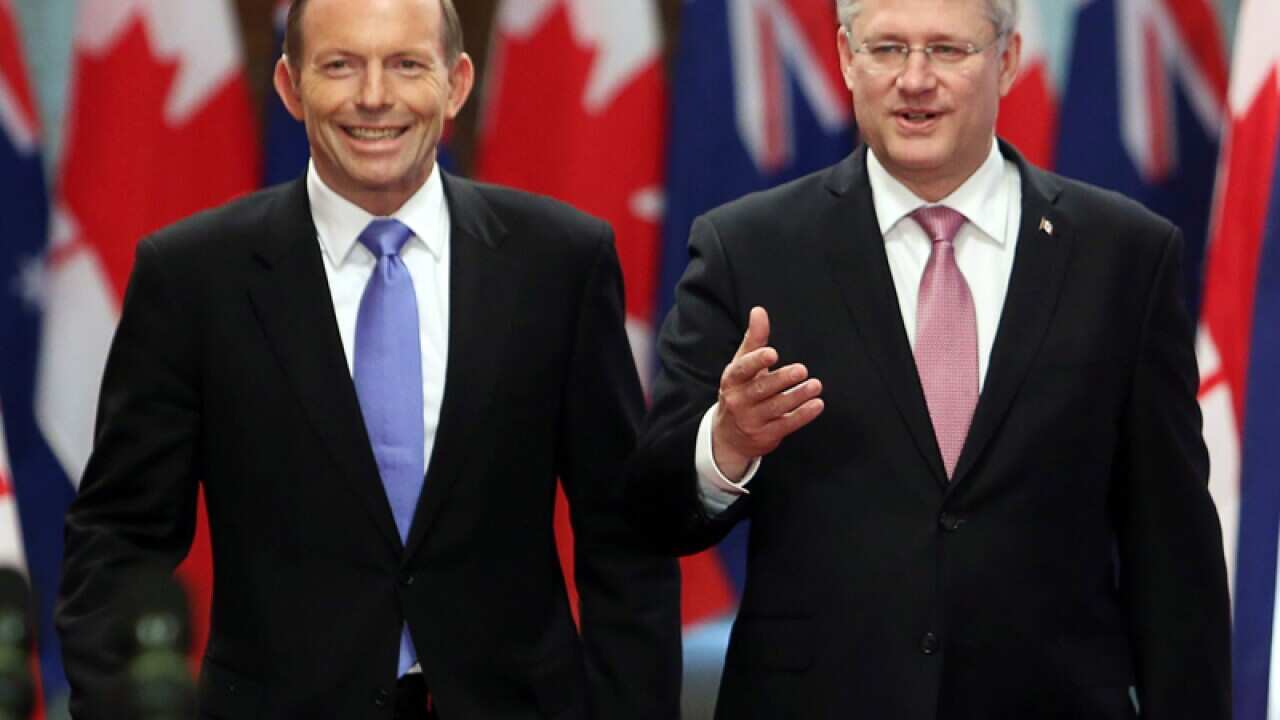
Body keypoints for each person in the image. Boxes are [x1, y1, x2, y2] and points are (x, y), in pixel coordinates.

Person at [56, 0, 681, 717]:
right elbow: (118, 542)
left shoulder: (561, 262)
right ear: (291, 87)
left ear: (457, 83)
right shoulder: (193, 277)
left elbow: (624, 536)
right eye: (340, 66)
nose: (374, 96)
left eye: (407, 64)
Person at [627, 0, 1230, 717]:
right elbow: (651, 512)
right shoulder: (748, 249)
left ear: (1005, 62)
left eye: (947, 50)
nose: (915, 79)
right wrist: (724, 448)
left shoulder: (1124, 255)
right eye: (887, 49)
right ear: (848, 58)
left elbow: (1173, 552)